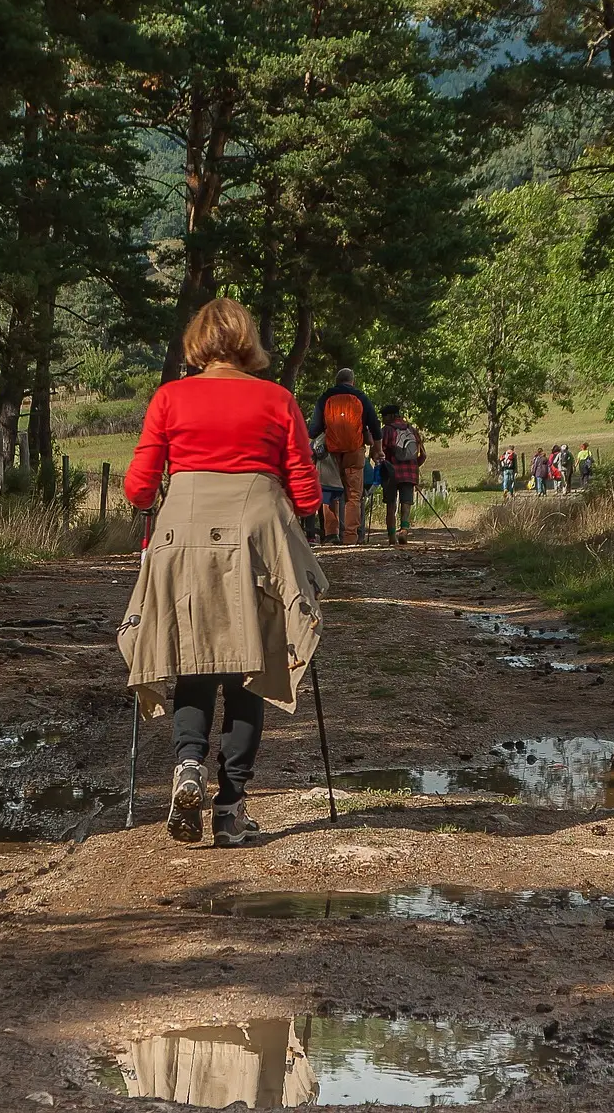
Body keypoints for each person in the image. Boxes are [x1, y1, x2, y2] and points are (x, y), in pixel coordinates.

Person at [119, 298, 327, 848]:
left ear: (196, 344)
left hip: (181, 536)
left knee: (190, 656)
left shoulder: (170, 397)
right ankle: (230, 810)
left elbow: (139, 487)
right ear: (248, 342)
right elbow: (306, 492)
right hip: (255, 537)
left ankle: (188, 766)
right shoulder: (278, 399)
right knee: (247, 669)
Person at [307, 367, 382, 545]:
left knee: (330, 492)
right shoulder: (361, 397)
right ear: (352, 381)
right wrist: (377, 450)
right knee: (353, 495)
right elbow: (375, 426)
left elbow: (313, 429)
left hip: (330, 454)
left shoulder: (326, 397)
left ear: (336, 381)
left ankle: (331, 535)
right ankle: (350, 536)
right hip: (354, 451)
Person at [377, 403, 427, 544]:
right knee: (406, 502)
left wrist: (379, 467)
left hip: (391, 472)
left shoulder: (386, 430)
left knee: (390, 504)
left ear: (391, 416)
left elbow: (380, 451)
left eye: (384, 416)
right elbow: (423, 454)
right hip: (409, 473)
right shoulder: (412, 429)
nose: (383, 419)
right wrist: (415, 466)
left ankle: (392, 535)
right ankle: (404, 530)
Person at [314, 433, 347, 543]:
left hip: (326, 476)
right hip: (339, 475)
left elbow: (317, 453)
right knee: (336, 502)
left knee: (327, 503)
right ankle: (338, 532)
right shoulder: (341, 434)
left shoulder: (323, 436)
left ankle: (331, 534)